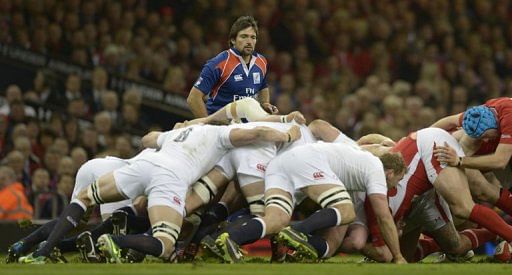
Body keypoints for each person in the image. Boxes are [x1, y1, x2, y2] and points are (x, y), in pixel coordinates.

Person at [18, 123, 300, 264]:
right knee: (164, 243)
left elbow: (147, 139)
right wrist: (287, 133)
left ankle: (37, 249)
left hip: (138, 164)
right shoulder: (220, 134)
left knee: (84, 201)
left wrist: (174, 131)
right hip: (169, 177)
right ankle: (114, 239)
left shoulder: (180, 131)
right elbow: (253, 132)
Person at [210, 141, 407, 264]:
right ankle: (298, 232)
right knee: (346, 211)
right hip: (309, 160)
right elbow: (383, 216)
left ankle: (229, 238)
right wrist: (398, 256)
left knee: (276, 220)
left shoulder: (357, 165)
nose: (393, 187)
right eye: (397, 181)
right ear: (390, 173)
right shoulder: (374, 168)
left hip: (282, 163)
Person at [187, 16, 278, 118]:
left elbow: (263, 86)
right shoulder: (219, 63)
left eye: (253, 37)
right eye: (244, 36)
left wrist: (265, 104)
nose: (249, 41)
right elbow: (193, 98)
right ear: (233, 40)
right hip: (221, 127)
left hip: (247, 127)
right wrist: (207, 124)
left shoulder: (262, 62)